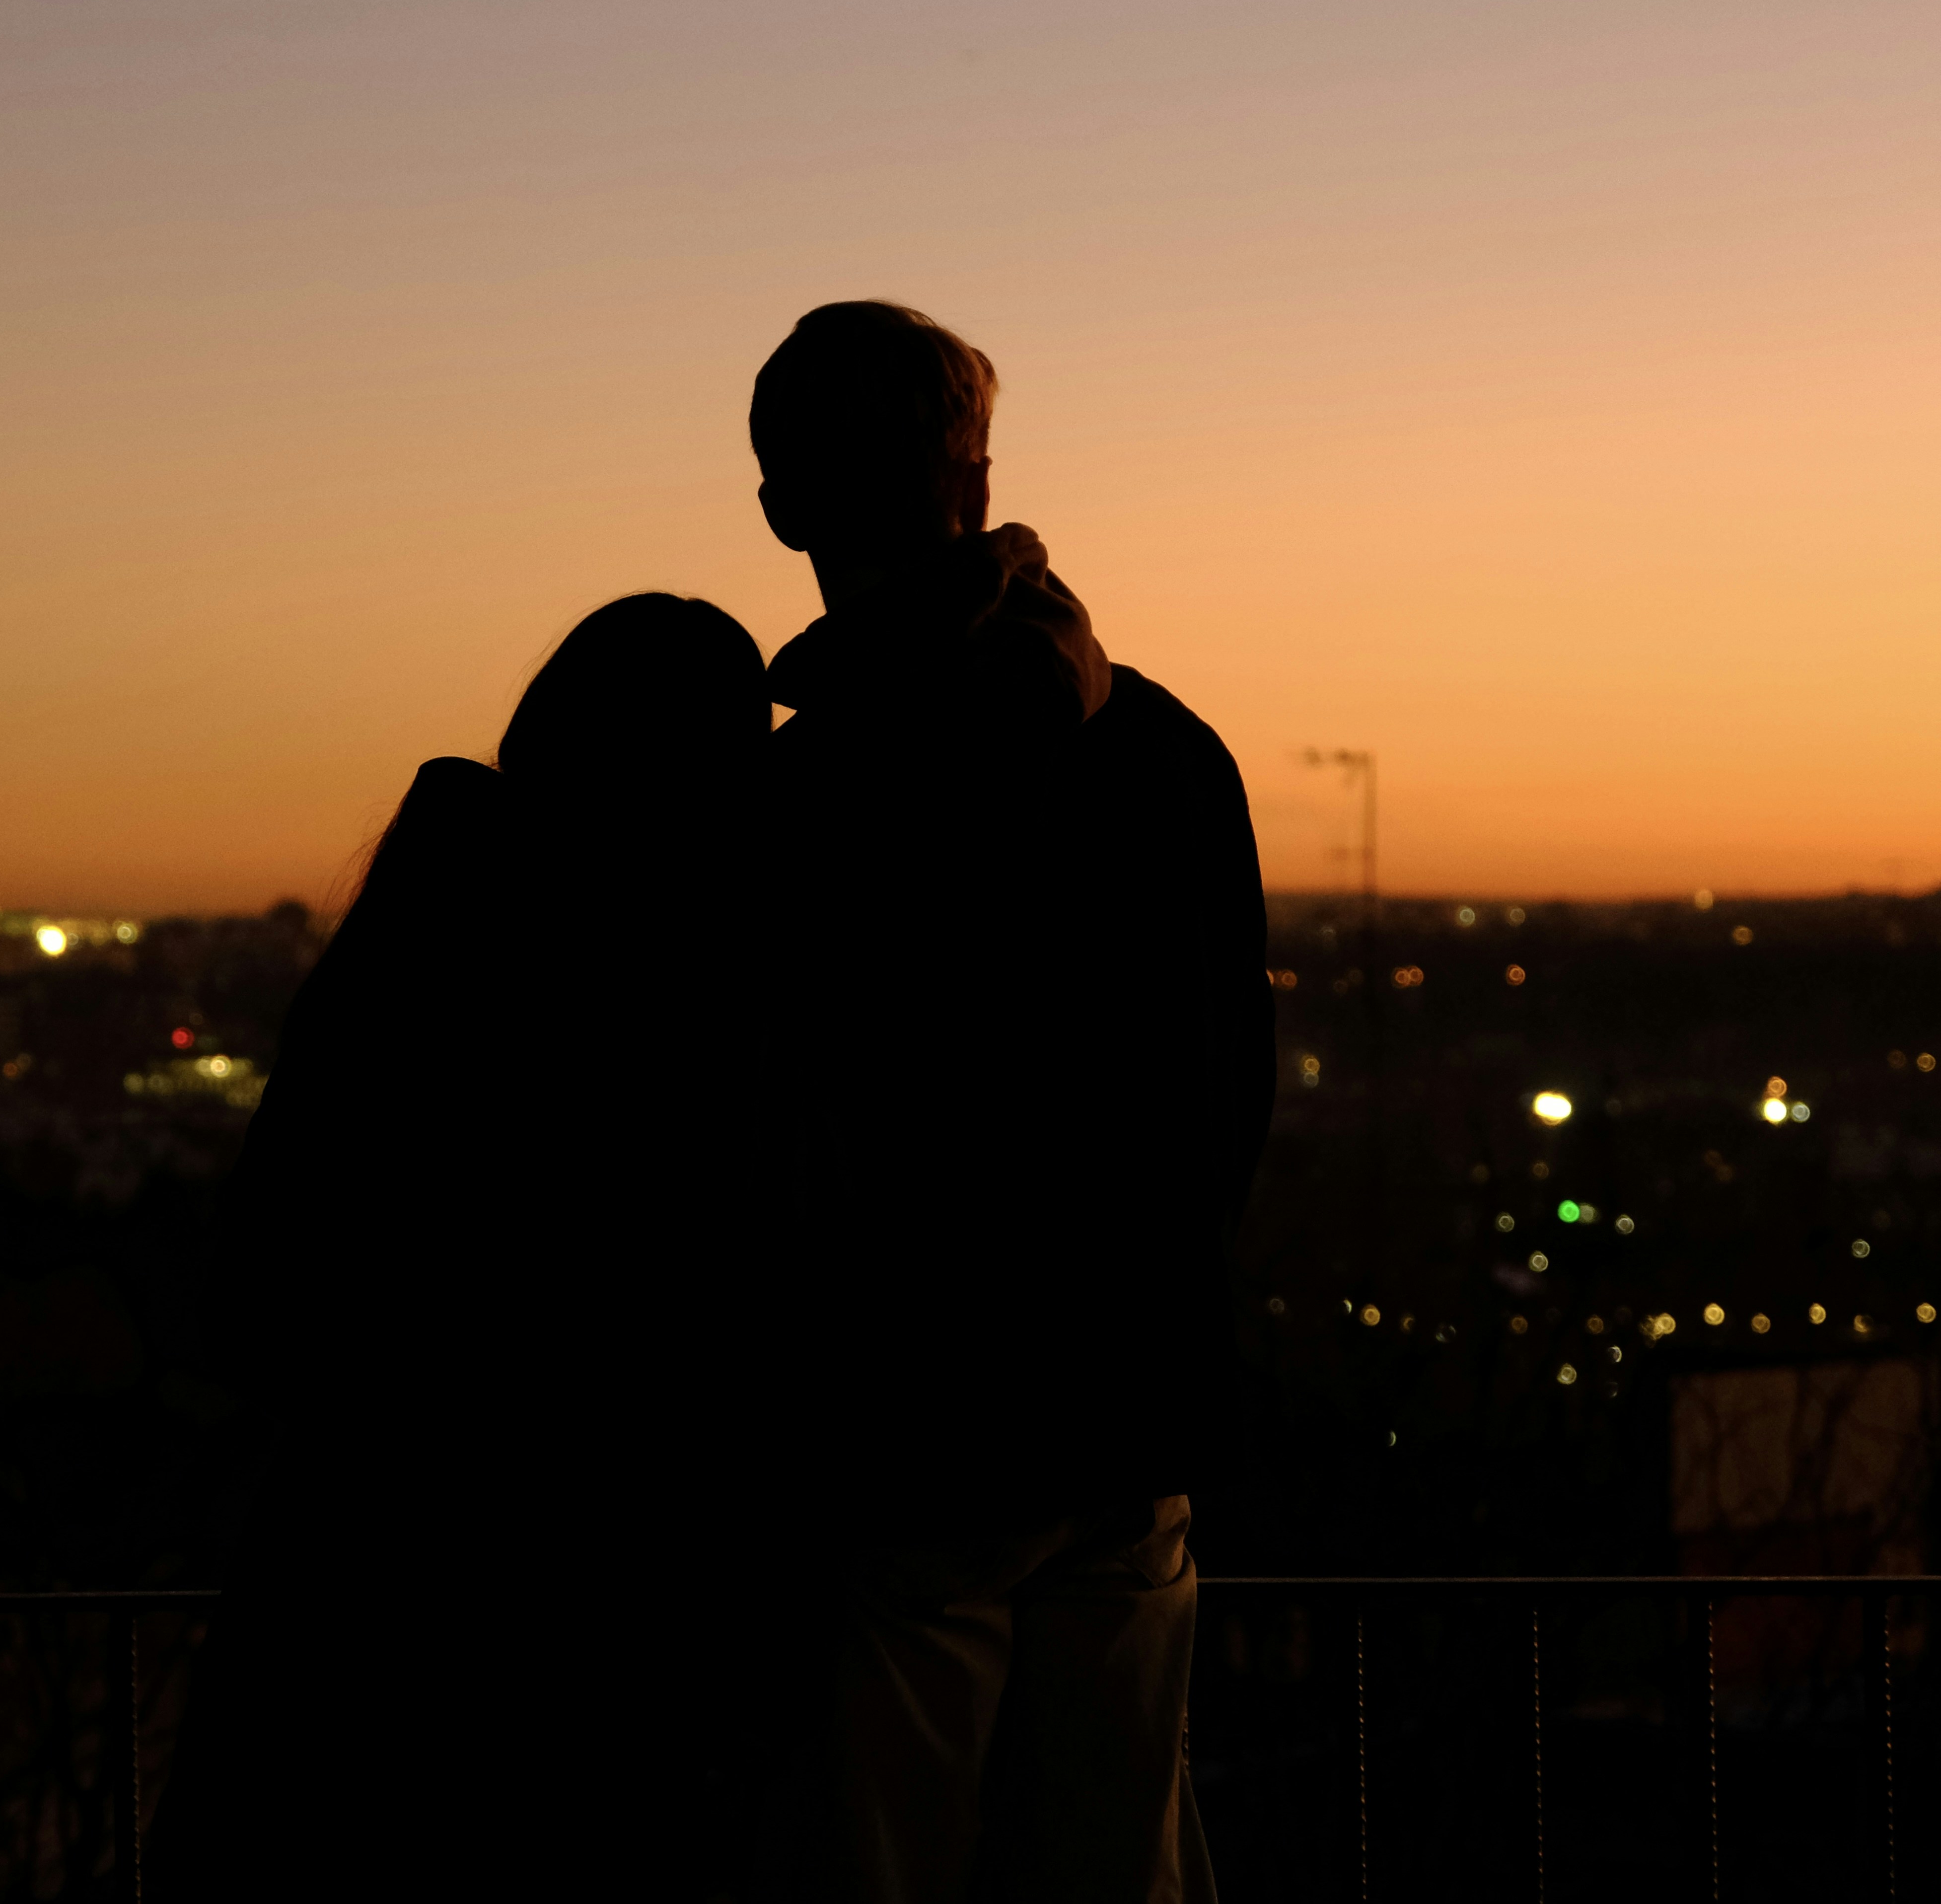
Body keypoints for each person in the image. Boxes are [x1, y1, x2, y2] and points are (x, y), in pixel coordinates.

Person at [739, 301, 1274, 1903]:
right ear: (976, 484)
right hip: (1122, 1412)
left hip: (901, 1440)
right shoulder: (1167, 753)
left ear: (782, 506)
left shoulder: (803, 798)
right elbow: (1225, 1090)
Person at [153, 591, 775, 1902]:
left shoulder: (423, 942)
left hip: (335, 1620)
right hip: (545, 1649)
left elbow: (251, 1296)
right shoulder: (629, 1003)